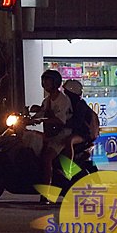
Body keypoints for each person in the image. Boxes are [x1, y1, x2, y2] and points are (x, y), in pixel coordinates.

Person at [30, 68, 73, 203]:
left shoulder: (63, 100)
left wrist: (40, 120)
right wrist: (27, 119)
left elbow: (61, 120)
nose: (45, 83)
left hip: (62, 135)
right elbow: (41, 113)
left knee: (47, 158)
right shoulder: (47, 100)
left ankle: (46, 193)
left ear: (55, 82)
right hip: (50, 133)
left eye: (48, 80)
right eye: (44, 81)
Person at [63, 79, 99, 156]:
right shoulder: (69, 104)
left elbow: (77, 123)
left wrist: (62, 123)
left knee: (69, 141)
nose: (64, 94)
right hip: (75, 131)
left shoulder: (80, 105)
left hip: (84, 134)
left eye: (66, 92)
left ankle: (69, 166)